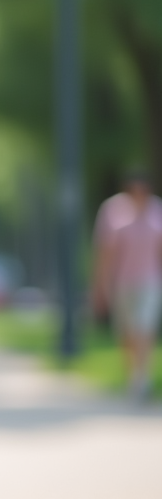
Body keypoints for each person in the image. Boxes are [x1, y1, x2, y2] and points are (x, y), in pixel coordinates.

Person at [92, 171, 162, 401]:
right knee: (128, 332)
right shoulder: (113, 211)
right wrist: (101, 285)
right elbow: (105, 252)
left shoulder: (157, 211)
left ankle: (141, 379)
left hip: (151, 280)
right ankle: (134, 374)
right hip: (123, 282)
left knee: (144, 328)